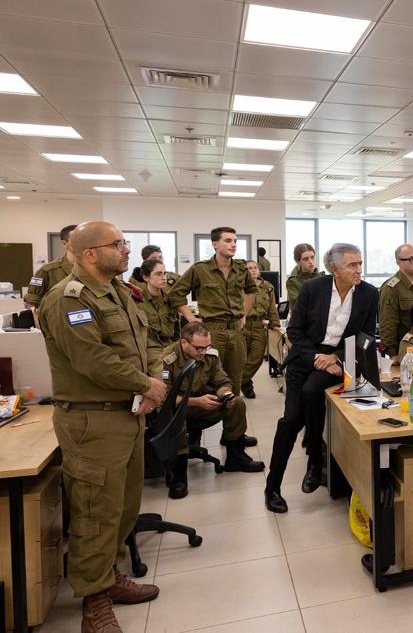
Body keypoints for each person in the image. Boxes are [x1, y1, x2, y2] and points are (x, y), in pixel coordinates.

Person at [37, 222, 166, 632]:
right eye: (118, 244)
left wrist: (152, 382)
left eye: (125, 243)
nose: (126, 250)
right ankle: (94, 603)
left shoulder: (118, 292)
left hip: (129, 414)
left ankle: (109, 579)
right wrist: (147, 384)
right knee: (95, 513)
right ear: (90, 253)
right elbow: (92, 360)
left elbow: (145, 344)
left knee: (123, 508)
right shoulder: (67, 299)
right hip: (93, 421)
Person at [265, 243, 378, 514]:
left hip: (340, 360)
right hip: (305, 357)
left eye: (360, 263)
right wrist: (318, 359)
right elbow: (294, 330)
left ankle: (315, 461)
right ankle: (273, 487)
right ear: (334, 269)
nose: (358, 270)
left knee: (312, 392)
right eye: (352, 265)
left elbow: (364, 336)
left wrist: (337, 358)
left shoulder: (369, 293)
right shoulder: (312, 288)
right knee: (291, 420)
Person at [158, 321, 264, 498]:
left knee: (237, 403)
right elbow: (163, 399)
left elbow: (222, 381)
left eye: (207, 347)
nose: (203, 352)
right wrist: (197, 402)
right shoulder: (167, 359)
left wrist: (226, 394)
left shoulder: (209, 355)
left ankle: (235, 457)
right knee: (176, 415)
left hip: (201, 405)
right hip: (176, 410)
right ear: (184, 343)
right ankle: (179, 475)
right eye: (199, 348)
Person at [167, 227, 256, 396]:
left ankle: (231, 413)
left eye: (235, 241)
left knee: (235, 380)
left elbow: (252, 290)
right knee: (208, 378)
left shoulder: (241, 268)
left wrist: (244, 313)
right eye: (228, 241)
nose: (233, 244)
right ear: (215, 244)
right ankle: (208, 415)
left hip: (236, 332)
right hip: (213, 332)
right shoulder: (201, 269)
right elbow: (175, 294)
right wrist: (191, 318)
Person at [241, 260, 281, 399]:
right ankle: (247, 386)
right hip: (242, 325)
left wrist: (275, 323)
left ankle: (236, 382)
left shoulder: (267, 287)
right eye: (249, 268)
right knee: (242, 358)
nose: (253, 270)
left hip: (259, 325)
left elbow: (272, 308)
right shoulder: (238, 286)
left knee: (257, 358)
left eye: (255, 268)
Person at [24, 223, 78, 317]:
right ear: (64, 243)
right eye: (77, 239)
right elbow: (32, 300)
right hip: (58, 321)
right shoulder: (47, 271)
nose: (83, 242)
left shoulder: (94, 269)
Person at [137, 258, 179, 362]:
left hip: (171, 346)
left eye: (164, 274)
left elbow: (178, 329)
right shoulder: (137, 301)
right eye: (158, 274)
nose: (164, 278)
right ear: (146, 277)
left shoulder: (170, 300)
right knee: (162, 373)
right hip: (150, 349)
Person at [286, 243, 324, 311]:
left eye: (312, 257)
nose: (311, 261)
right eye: (305, 259)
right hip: (303, 320)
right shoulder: (293, 282)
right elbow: (298, 305)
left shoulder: (323, 278)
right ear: (298, 262)